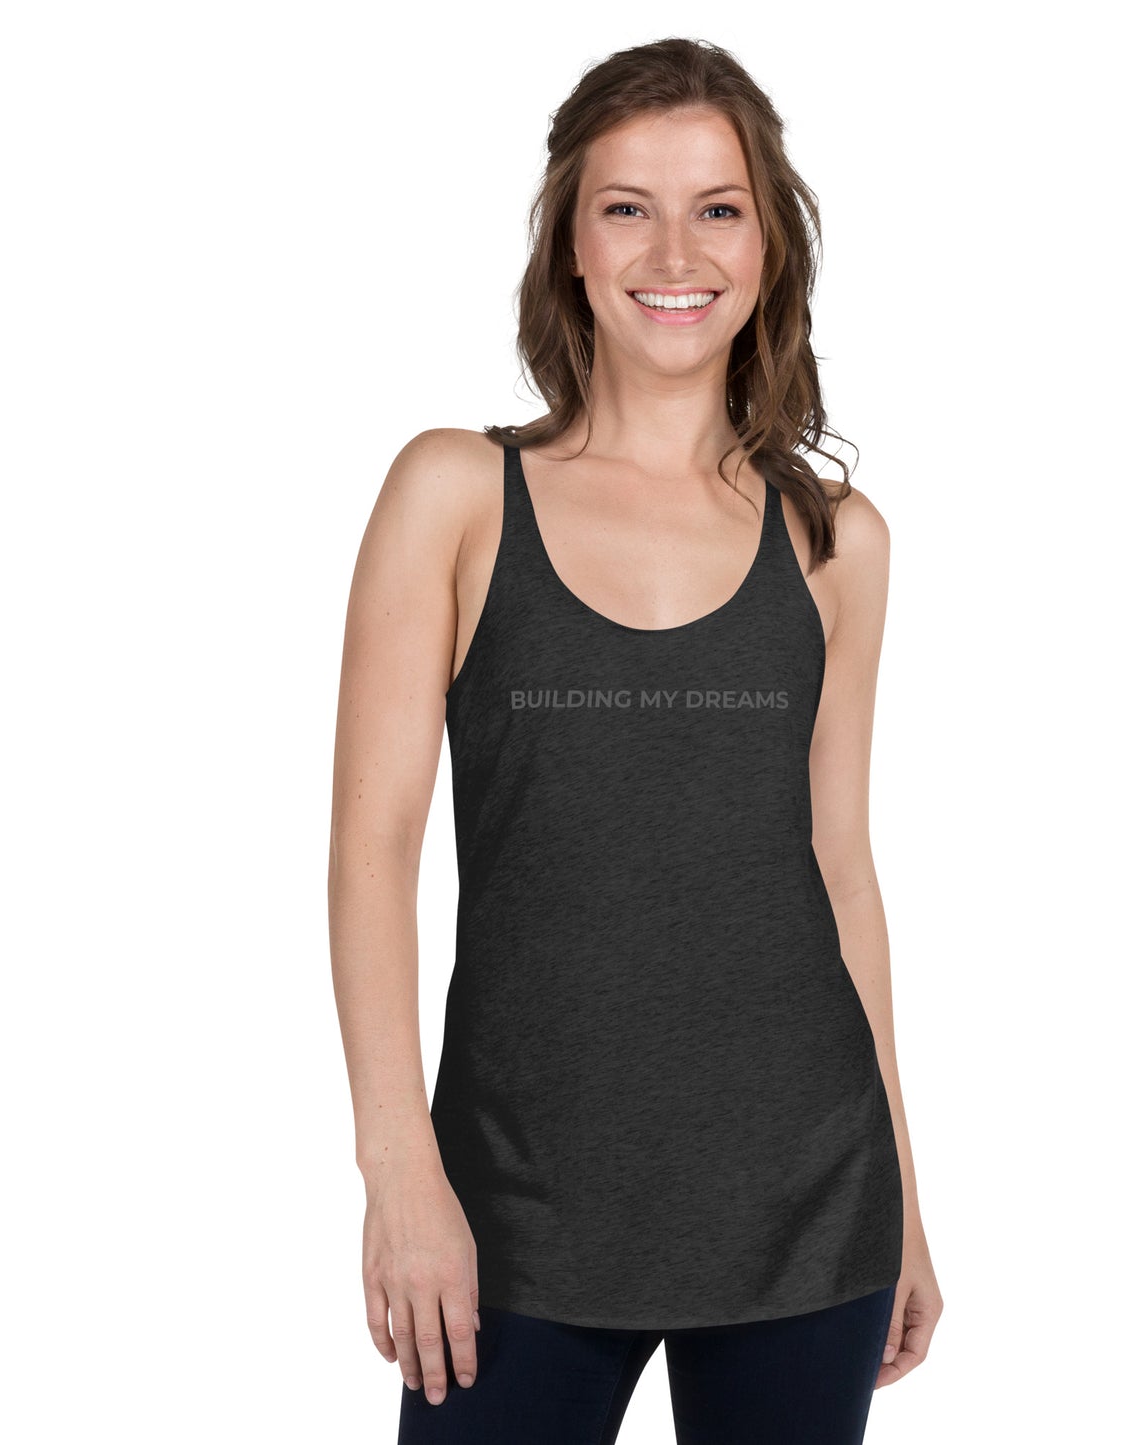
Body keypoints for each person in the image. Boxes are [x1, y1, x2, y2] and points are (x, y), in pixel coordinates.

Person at [328, 36, 944, 1444]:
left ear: (769, 246)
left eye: (718, 208)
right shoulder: (454, 493)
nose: (676, 252)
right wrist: (398, 1173)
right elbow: (373, 847)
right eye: (627, 207)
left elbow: (840, 871)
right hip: (514, 1211)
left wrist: (903, 1193)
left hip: (808, 1206)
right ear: (570, 243)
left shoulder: (836, 542)